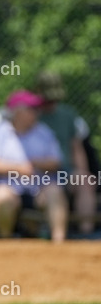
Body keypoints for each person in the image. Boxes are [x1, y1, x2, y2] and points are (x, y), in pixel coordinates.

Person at [0, 90, 67, 242]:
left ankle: (59, 242)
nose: (36, 112)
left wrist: (35, 163)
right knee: (1, 196)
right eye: (31, 109)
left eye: (36, 109)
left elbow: (56, 162)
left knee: (55, 191)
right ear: (16, 111)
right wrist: (19, 168)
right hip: (8, 185)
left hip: (39, 187)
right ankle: (5, 241)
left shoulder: (44, 133)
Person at [36, 71, 96, 236]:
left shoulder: (67, 114)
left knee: (85, 182)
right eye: (48, 99)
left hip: (66, 171)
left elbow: (76, 147)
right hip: (41, 175)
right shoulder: (32, 115)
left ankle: (86, 234)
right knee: (51, 189)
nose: (51, 103)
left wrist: (82, 171)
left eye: (55, 99)